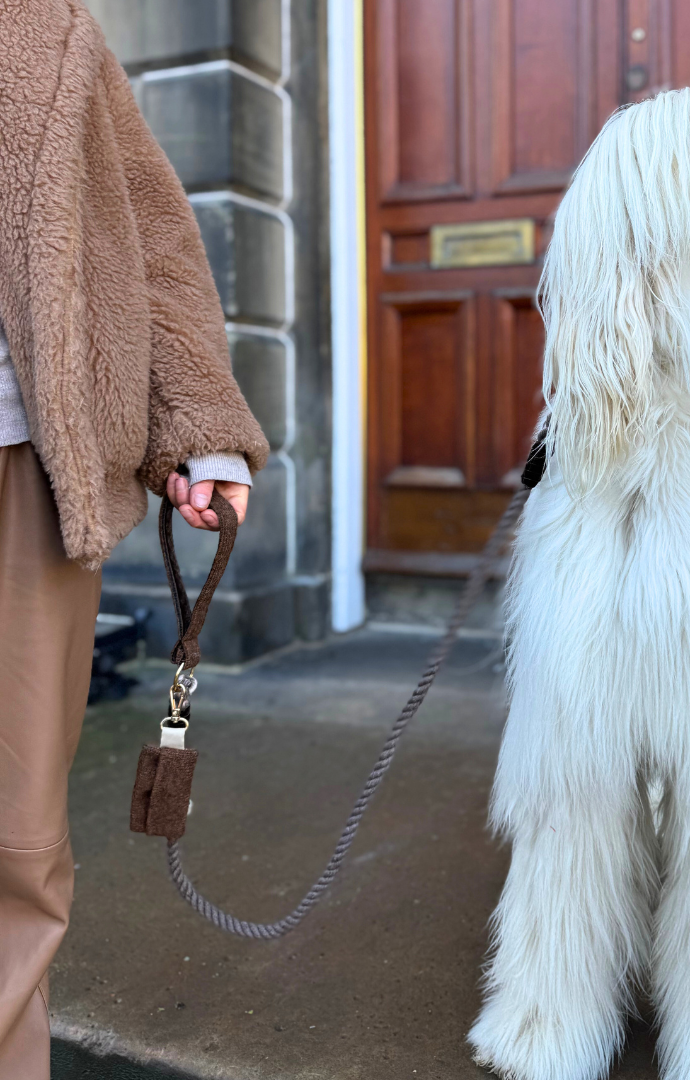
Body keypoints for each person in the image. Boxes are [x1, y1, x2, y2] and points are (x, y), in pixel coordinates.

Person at [0, 2, 269, 1075]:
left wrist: (196, 429)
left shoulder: (47, 26)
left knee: (18, 844)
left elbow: (145, 231)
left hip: (22, 465)